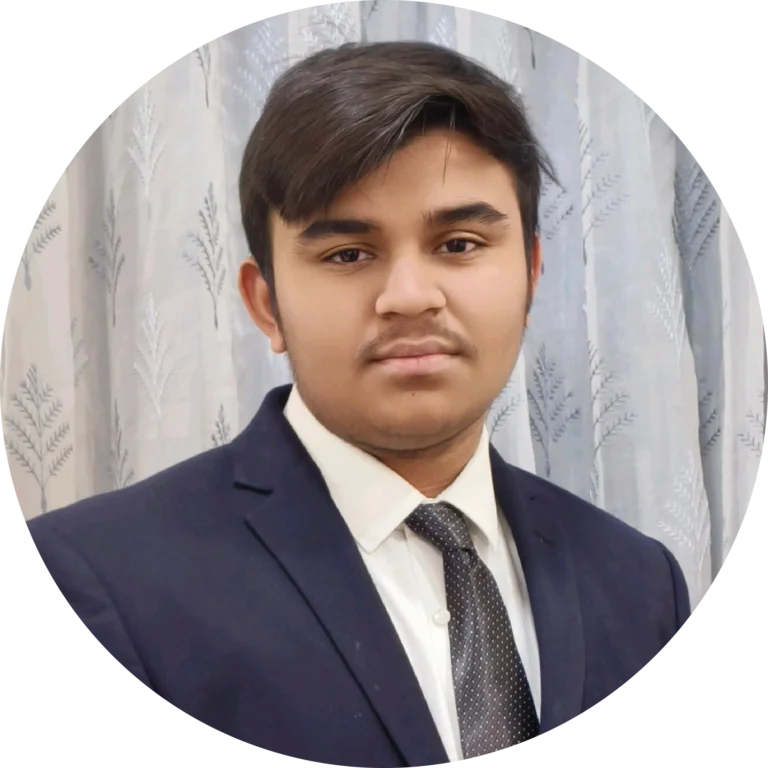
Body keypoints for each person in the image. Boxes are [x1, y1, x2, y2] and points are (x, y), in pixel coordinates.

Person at [24, 41, 691, 767]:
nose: (410, 297)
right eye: (347, 254)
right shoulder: (100, 580)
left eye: (459, 244)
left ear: (531, 273)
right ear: (266, 303)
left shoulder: (638, 582)